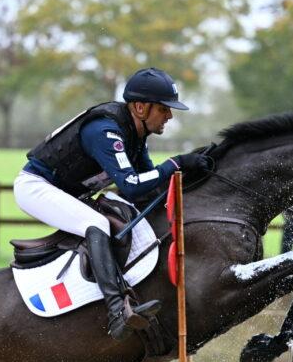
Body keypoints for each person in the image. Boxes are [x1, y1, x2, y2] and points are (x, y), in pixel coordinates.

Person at [15, 67, 210, 341]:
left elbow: (147, 189)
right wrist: (175, 163)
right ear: (141, 108)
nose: (169, 115)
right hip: (36, 188)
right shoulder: (105, 131)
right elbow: (131, 184)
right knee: (96, 223)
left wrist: (189, 173)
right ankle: (117, 311)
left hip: (67, 193)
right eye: (164, 109)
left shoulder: (135, 134)